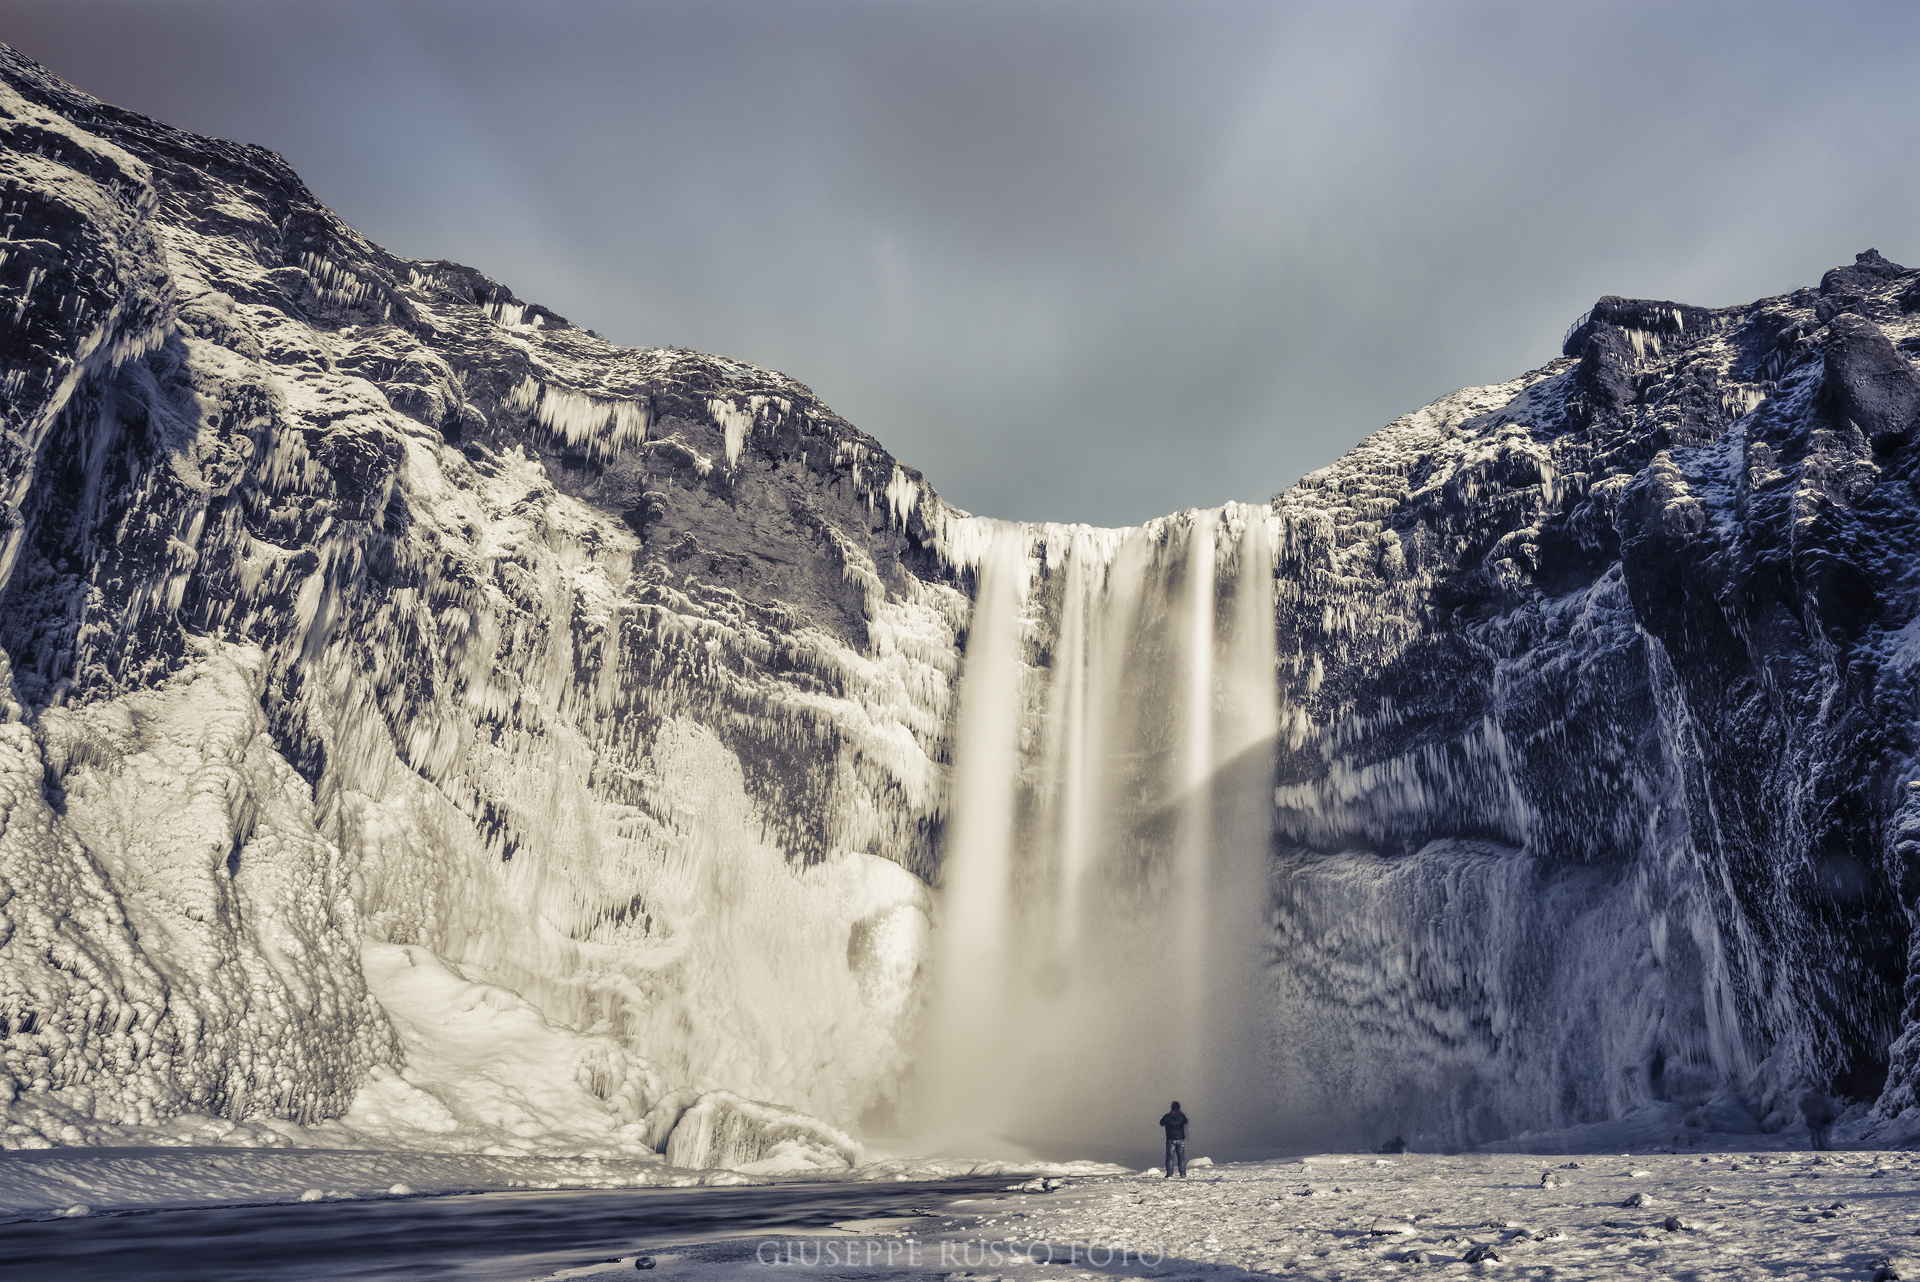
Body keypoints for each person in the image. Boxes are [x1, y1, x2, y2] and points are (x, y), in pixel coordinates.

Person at [1159, 1101, 1189, 1179]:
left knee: (1170, 1157)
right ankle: (1182, 1173)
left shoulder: (1167, 1116)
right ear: (1179, 1108)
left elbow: (1161, 1123)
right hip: (1180, 1139)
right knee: (1181, 1157)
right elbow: (1186, 1121)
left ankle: (1169, 1174)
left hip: (1170, 1139)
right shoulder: (1181, 1116)